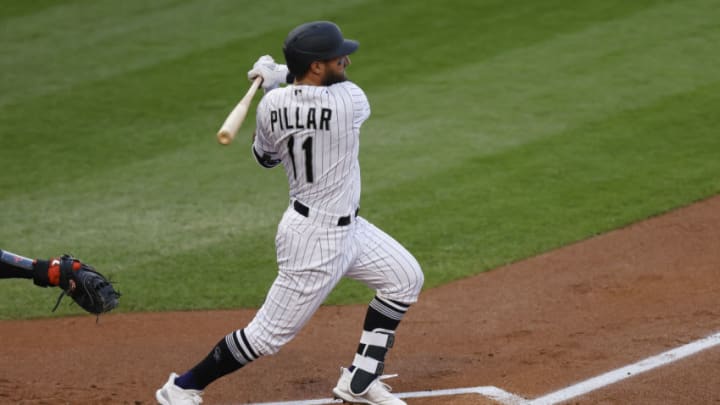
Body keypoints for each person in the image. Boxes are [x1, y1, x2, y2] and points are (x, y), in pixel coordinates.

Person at [156, 21, 424, 405]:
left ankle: (359, 381)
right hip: (315, 242)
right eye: (337, 57)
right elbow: (318, 94)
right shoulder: (351, 101)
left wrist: (272, 79)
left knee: (404, 277)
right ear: (316, 66)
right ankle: (182, 387)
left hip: (344, 227)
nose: (346, 59)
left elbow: (264, 158)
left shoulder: (270, 105)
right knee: (266, 336)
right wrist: (277, 75)